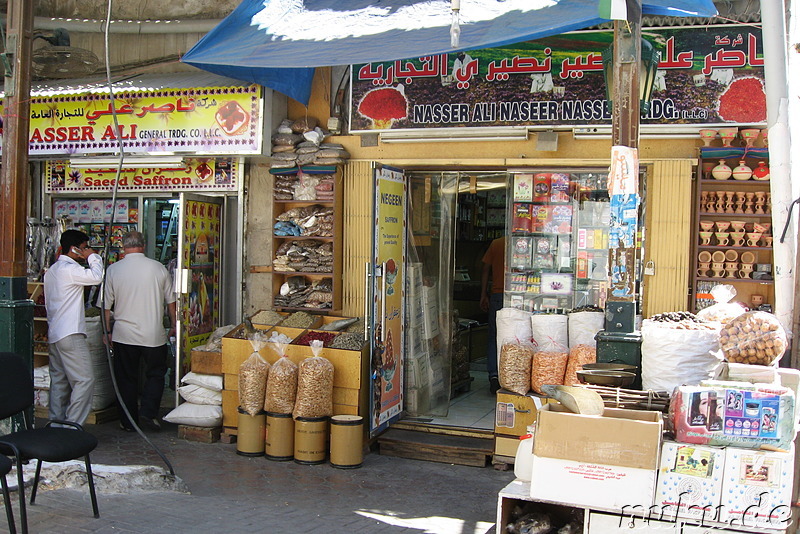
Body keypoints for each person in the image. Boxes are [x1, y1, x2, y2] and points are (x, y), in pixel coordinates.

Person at [103, 231, 176, 432]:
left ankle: (128, 421)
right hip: (153, 334)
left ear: (123, 246)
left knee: (126, 377)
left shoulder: (114, 270)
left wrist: (106, 331)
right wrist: (174, 326)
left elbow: (106, 307)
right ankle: (148, 413)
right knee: (156, 374)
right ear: (143, 245)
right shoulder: (158, 268)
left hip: (123, 335)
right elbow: (171, 302)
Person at [44, 229, 104, 425]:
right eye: (85, 247)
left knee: (60, 382)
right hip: (70, 333)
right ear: (74, 249)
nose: (87, 250)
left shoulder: (52, 271)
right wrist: (93, 257)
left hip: (55, 333)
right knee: (85, 380)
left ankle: (56, 424)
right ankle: (72, 427)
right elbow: (96, 276)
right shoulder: (68, 270)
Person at [480, 236, 505, 394]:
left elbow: (485, 269)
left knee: (494, 337)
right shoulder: (524, 242)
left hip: (497, 296)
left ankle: (494, 376)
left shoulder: (496, 243)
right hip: (518, 295)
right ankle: (509, 376)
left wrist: (483, 294)